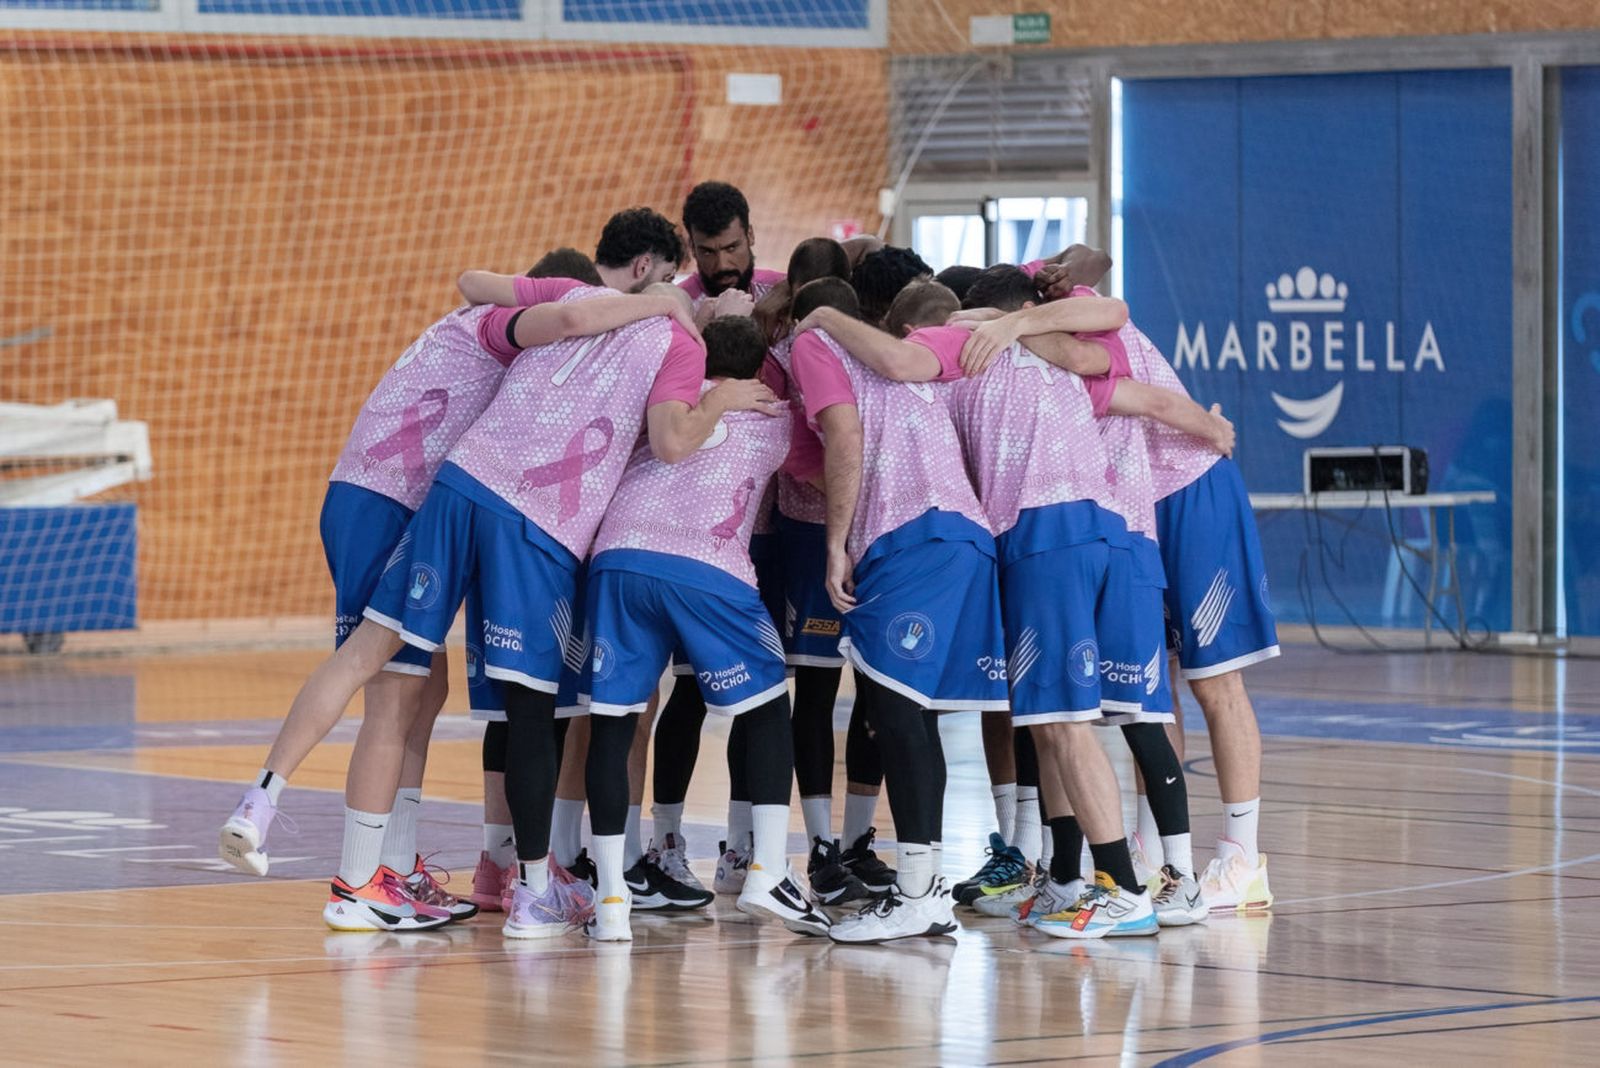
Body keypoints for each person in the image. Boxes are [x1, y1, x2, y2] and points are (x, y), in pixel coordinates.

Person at [577, 315, 828, 941]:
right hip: (706, 568)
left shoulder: (660, 410)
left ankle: (610, 900)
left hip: (620, 560)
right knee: (767, 707)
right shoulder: (774, 418)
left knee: (613, 724)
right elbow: (825, 466)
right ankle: (768, 870)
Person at [788, 294, 1008, 945]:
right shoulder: (922, 367)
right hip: (967, 537)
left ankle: (915, 893)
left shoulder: (822, 348)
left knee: (896, 715)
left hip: (914, 536)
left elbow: (844, 439)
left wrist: (836, 544)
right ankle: (928, 886)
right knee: (913, 715)